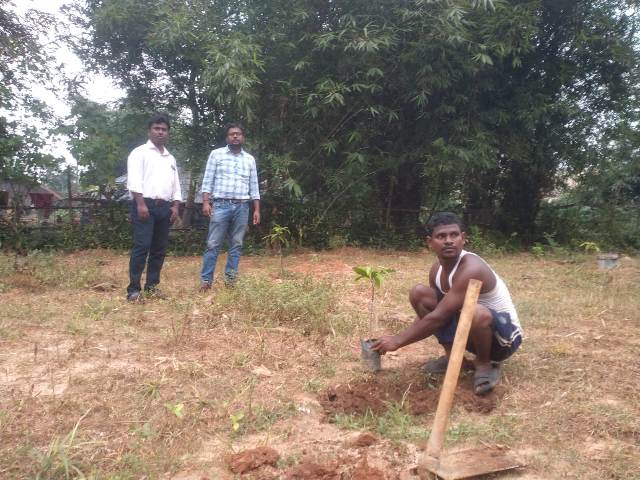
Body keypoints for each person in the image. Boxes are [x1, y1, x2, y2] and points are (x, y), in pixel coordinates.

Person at [372, 212, 523, 395]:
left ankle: (484, 363)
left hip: (503, 339)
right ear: (430, 242)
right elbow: (434, 314)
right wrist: (400, 336)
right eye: (441, 236)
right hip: (470, 331)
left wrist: (398, 340)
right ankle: (454, 359)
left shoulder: (472, 267)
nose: (449, 241)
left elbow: (439, 317)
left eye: (454, 235)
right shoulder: (437, 270)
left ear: (463, 238)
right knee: (419, 294)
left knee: (476, 312)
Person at [126, 113, 182, 302]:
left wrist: (175, 206)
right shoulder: (139, 153)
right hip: (145, 205)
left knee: (159, 249)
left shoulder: (170, 158)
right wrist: (140, 204)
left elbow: (175, 184)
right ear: (149, 131)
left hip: (164, 207)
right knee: (142, 246)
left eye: (164, 129)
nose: (160, 132)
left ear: (168, 133)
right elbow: (134, 181)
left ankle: (151, 287)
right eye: (156, 128)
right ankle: (133, 290)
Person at [199, 123, 260, 290]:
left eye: (238, 133)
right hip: (220, 205)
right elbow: (207, 180)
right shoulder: (216, 155)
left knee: (237, 244)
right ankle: (206, 281)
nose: (235, 136)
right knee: (213, 244)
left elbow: (254, 186)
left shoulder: (249, 159)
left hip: (242, 207)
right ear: (227, 138)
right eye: (232, 134)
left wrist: (256, 209)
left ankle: (230, 281)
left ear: (243, 137)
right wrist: (206, 202)